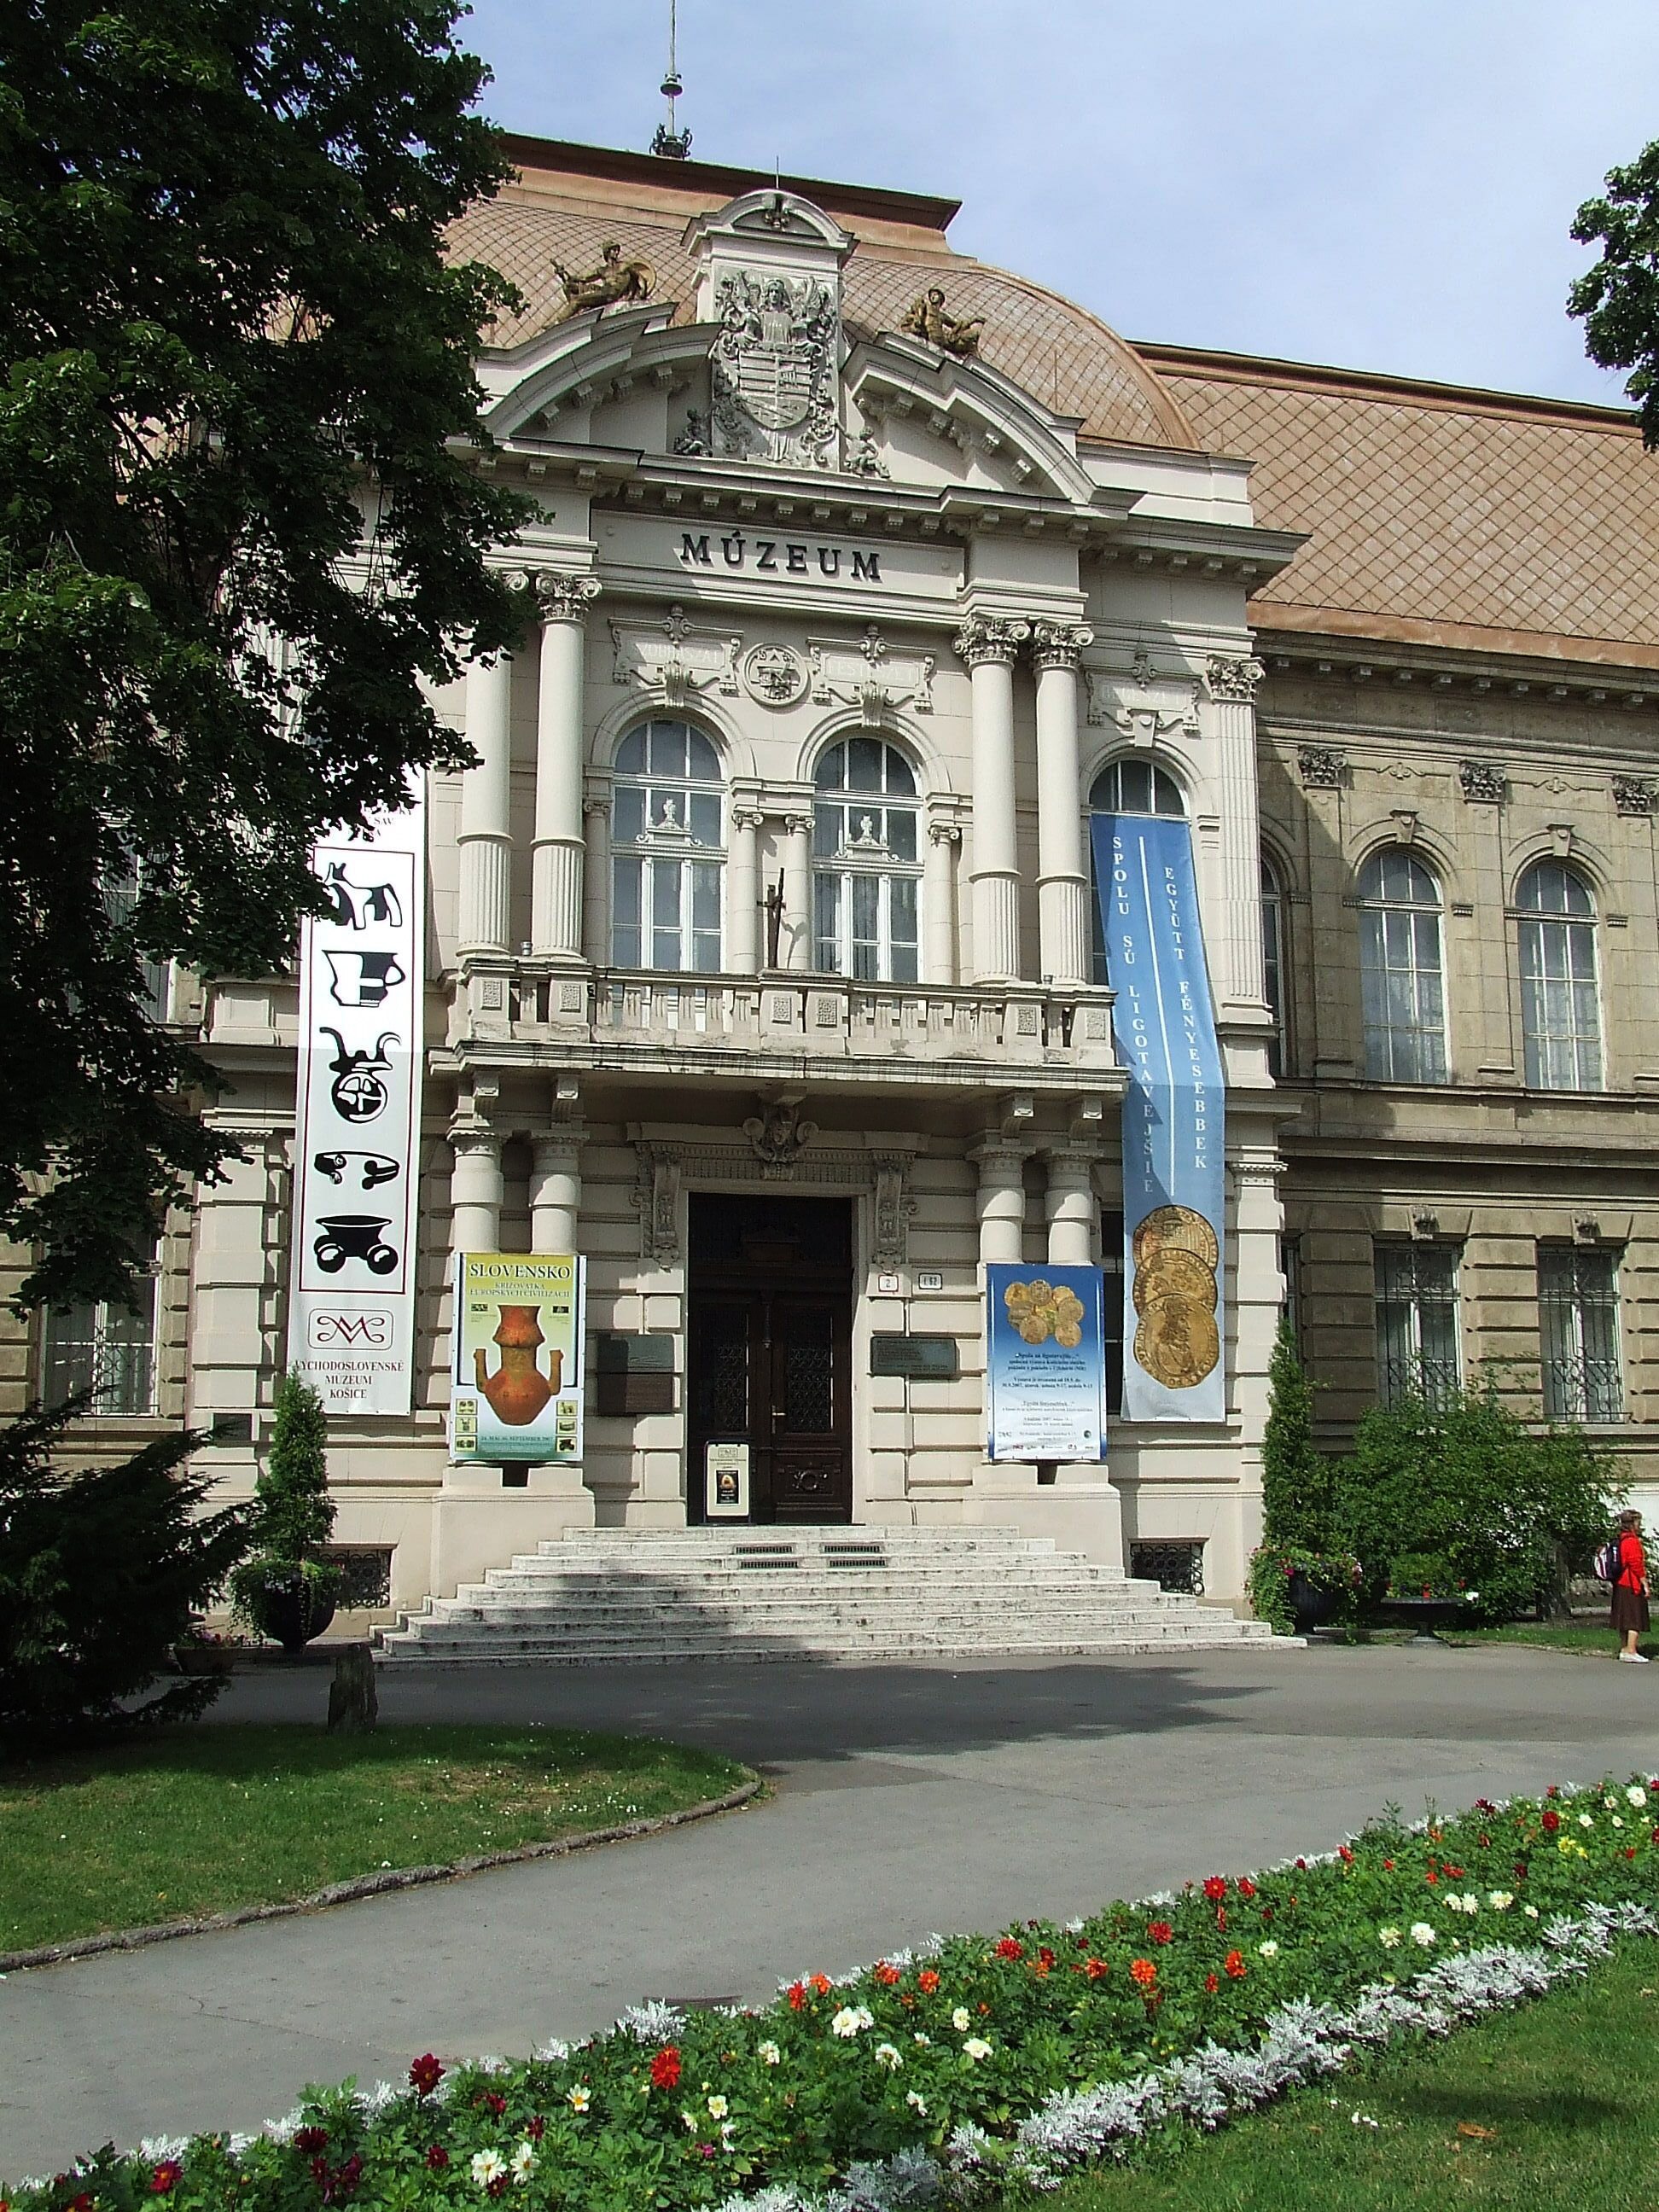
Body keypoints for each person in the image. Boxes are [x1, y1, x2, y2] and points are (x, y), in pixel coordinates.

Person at [1612, 1508, 1650, 1662]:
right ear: (1633, 1524)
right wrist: (1644, 1583)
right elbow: (1636, 1564)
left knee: (1624, 1617)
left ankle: (1624, 1648)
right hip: (1631, 1583)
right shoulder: (1632, 1541)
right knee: (1634, 1618)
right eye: (1638, 1522)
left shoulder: (1620, 1540)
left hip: (1620, 1583)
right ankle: (1631, 1650)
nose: (1639, 1525)